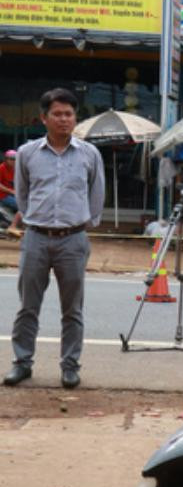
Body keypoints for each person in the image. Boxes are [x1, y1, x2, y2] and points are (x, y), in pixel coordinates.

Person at [4, 89, 104, 389]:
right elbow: (22, 194)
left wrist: (86, 224)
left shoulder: (89, 154)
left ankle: (70, 366)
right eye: (57, 114)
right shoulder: (27, 153)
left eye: (69, 114)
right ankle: (22, 363)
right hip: (35, 238)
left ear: (75, 118)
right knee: (27, 307)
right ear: (44, 118)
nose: (64, 119)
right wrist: (34, 218)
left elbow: (96, 193)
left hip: (73, 240)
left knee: (72, 309)